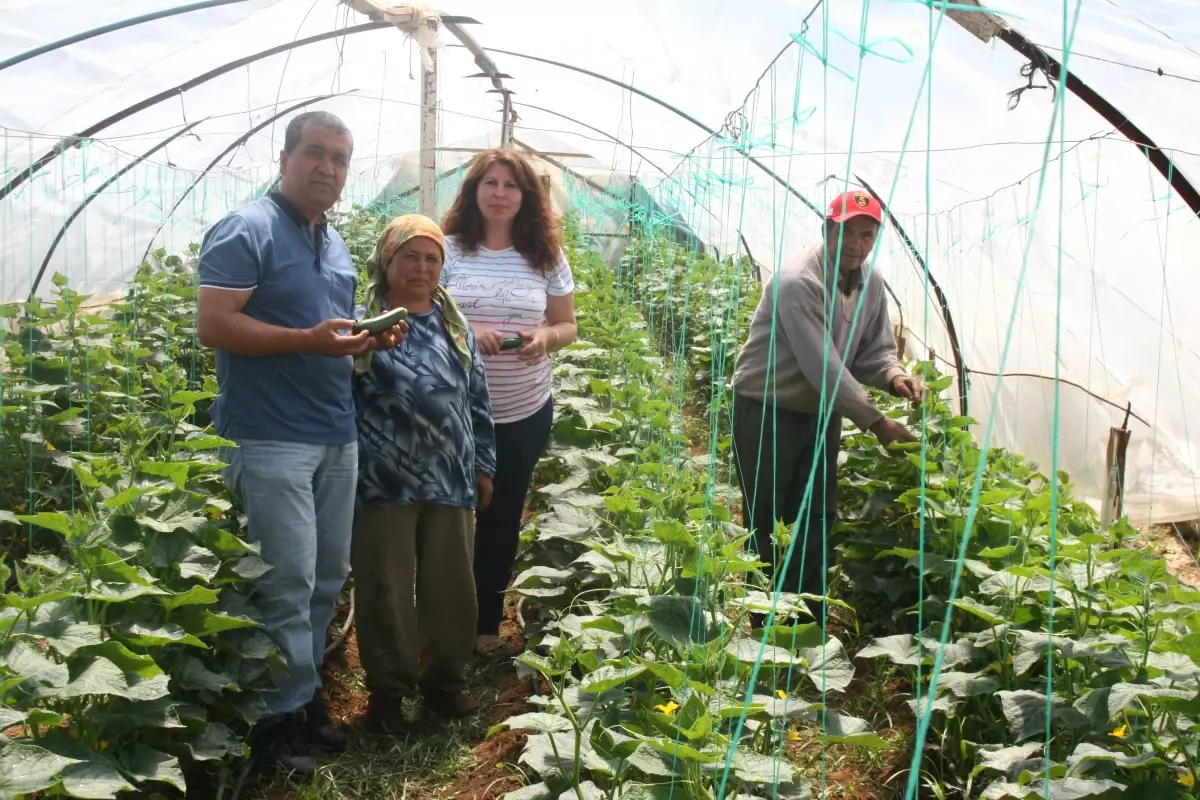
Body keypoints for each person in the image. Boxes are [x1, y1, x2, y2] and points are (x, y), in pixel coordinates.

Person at [196, 111, 406, 777]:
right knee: (284, 583)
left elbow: (328, 333)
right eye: (315, 154)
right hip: (269, 437)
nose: (328, 168)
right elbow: (215, 325)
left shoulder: (335, 242)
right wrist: (308, 340)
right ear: (284, 157)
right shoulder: (247, 229)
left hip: (333, 433)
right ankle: (272, 725)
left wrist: (365, 341)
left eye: (340, 159)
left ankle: (304, 698)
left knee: (321, 581)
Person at [730, 190, 925, 606]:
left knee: (816, 516)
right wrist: (877, 423)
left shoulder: (870, 284)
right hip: (768, 410)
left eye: (867, 235)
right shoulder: (798, 280)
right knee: (766, 516)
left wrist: (895, 377)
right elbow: (824, 366)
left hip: (820, 414)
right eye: (847, 232)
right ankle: (764, 623)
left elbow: (875, 350)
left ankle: (805, 620)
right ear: (827, 229)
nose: (856, 244)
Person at [349, 214, 497, 732]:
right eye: (409, 256)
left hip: (450, 474)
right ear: (387, 261)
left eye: (432, 257)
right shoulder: (362, 322)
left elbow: (478, 398)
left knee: (450, 582)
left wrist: (483, 465)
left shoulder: (455, 325)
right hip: (383, 478)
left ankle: (443, 684)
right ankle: (388, 693)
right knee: (384, 583)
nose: (421, 266)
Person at [439, 148, 578, 656]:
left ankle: (484, 625)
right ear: (474, 191)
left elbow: (568, 325)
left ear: (526, 196)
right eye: (490, 183)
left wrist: (546, 338)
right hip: (452, 412)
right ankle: (442, 618)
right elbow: (418, 314)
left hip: (523, 410)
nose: (500, 194)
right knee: (449, 516)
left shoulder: (545, 255)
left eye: (511, 185)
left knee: (502, 514)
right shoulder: (448, 250)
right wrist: (469, 331)